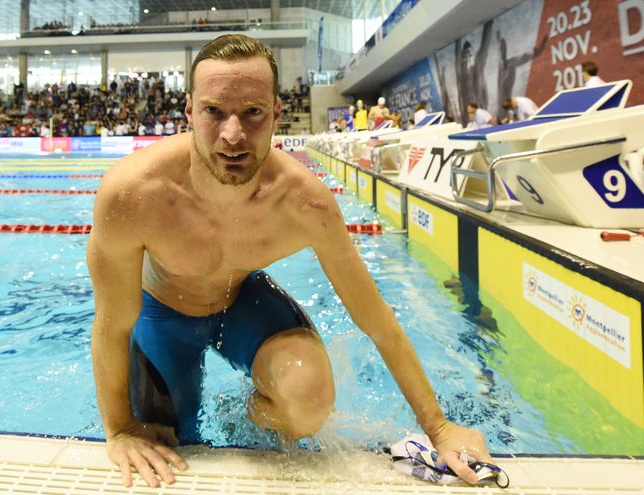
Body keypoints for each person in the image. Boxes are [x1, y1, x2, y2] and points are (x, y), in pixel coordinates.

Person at [87, 34, 493, 489]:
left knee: (309, 401)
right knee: (170, 443)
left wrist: (440, 429)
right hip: (162, 317)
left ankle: (250, 409)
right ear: (189, 111)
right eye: (214, 112)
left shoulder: (305, 203)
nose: (233, 135)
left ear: (277, 112)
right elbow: (112, 324)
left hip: (241, 302)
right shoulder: (132, 196)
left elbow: (377, 320)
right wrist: (119, 430)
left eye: (253, 113)